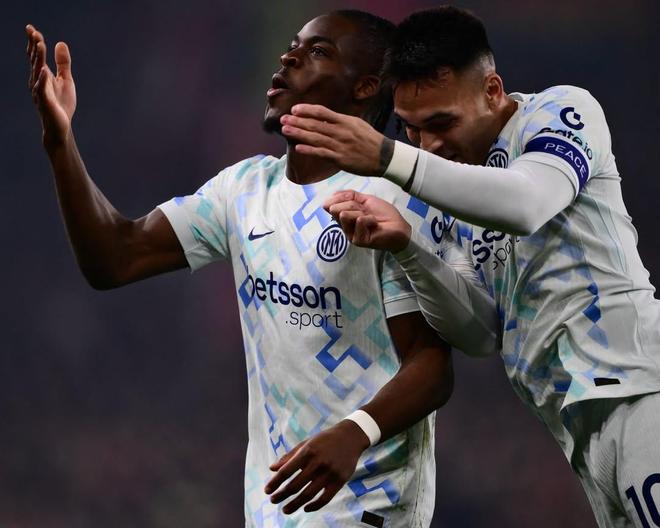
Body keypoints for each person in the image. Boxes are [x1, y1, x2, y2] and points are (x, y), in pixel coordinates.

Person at [26, 10, 499, 527]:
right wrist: (61, 143)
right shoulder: (245, 189)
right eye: (294, 45)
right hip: (274, 506)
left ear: (365, 87)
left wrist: (354, 432)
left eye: (317, 52)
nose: (289, 57)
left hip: (368, 501)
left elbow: (431, 367)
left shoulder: (394, 200)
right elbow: (115, 258)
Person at [276, 6, 660, 527]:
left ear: (492, 91)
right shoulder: (443, 193)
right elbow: (480, 333)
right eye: (410, 129)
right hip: (577, 424)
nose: (428, 145)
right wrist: (408, 249)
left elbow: (525, 203)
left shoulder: (559, 112)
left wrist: (388, 156)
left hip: (641, 387)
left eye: (442, 123)